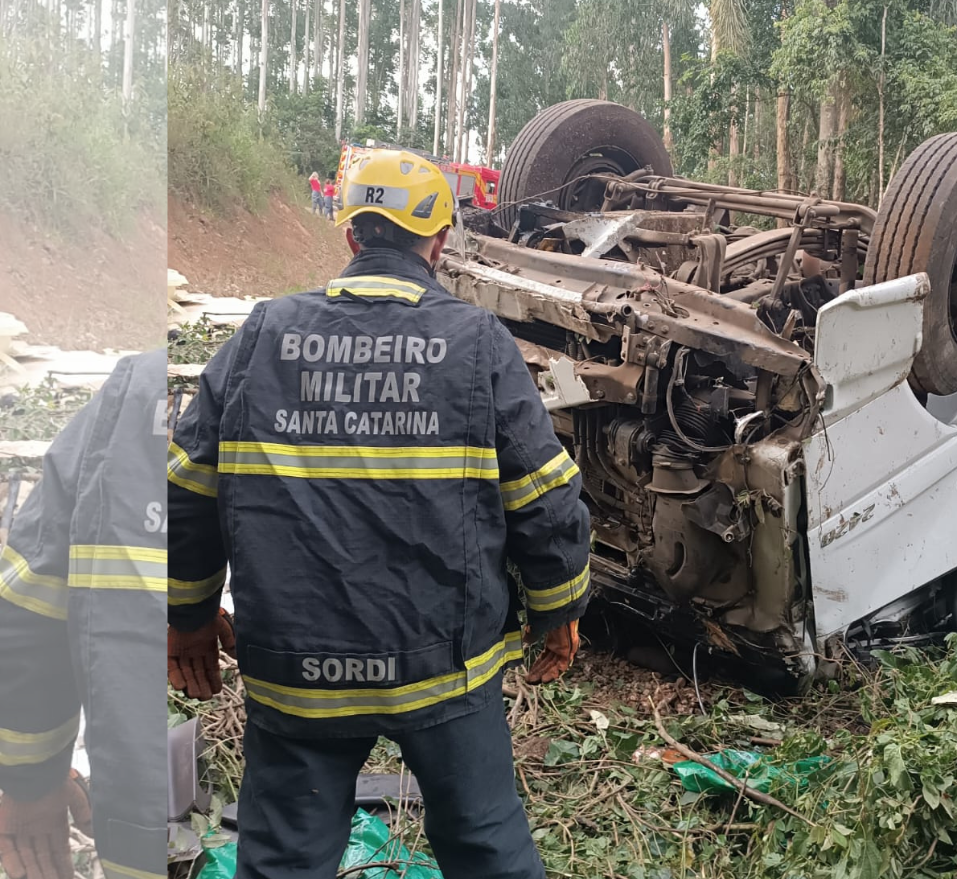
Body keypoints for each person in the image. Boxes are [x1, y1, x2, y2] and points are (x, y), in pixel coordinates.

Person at [167, 149, 590, 879]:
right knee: (488, 851)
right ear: (440, 242)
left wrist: (189, 614)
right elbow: (545, 496)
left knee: (282, 864)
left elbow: (188, 489)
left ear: (351, 237)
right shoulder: (478, 343)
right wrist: (558, 610)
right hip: (444, 673)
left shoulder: (260, 336)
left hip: (297, 673)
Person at [0, 348, 168, 879]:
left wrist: (32, 782)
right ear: (437, 258)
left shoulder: (140, 389)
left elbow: (31, 610)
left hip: (140, 828)